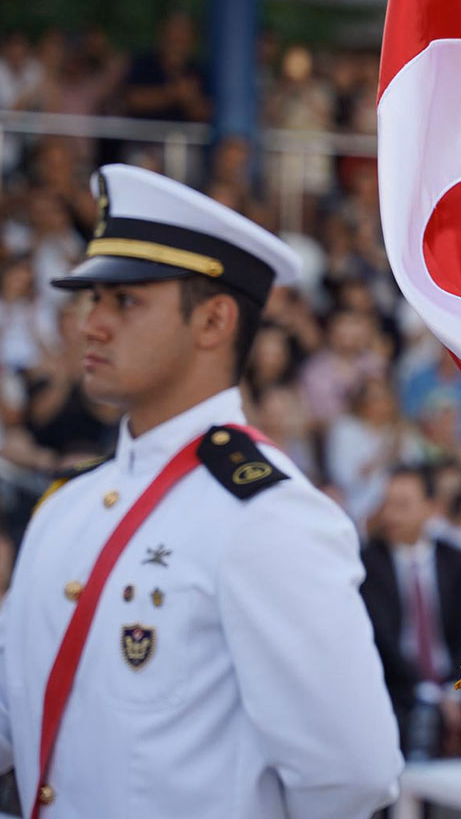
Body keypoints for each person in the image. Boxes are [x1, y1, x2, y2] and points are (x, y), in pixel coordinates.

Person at [0, 164, 401, 818]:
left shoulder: (269, 517)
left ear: (214, 321)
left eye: (124, 301)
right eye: (91, 299)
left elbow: (352, 775)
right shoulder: (65, 507)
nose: (90, 325)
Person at [359, 467, 461, 760]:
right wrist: (427, 693)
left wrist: (454, 692)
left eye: (402, 505)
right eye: (387, 504)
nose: (392, 516)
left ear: (430, 508)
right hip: (400, 688)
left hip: (457, 684)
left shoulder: (456, 562)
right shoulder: (369, 564)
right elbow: (384, 642)